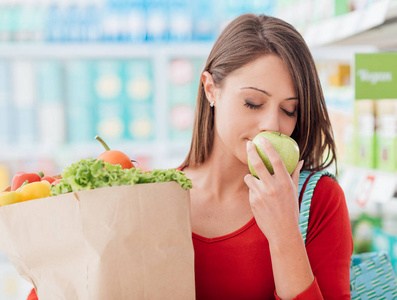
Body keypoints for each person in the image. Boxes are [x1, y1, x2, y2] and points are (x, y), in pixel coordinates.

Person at [27, 13, 352, 300]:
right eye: (253, 102)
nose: (272, 125)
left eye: (288, 110)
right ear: (211, 89)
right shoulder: (152, 197)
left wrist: (284, 233)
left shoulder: (319, 200)